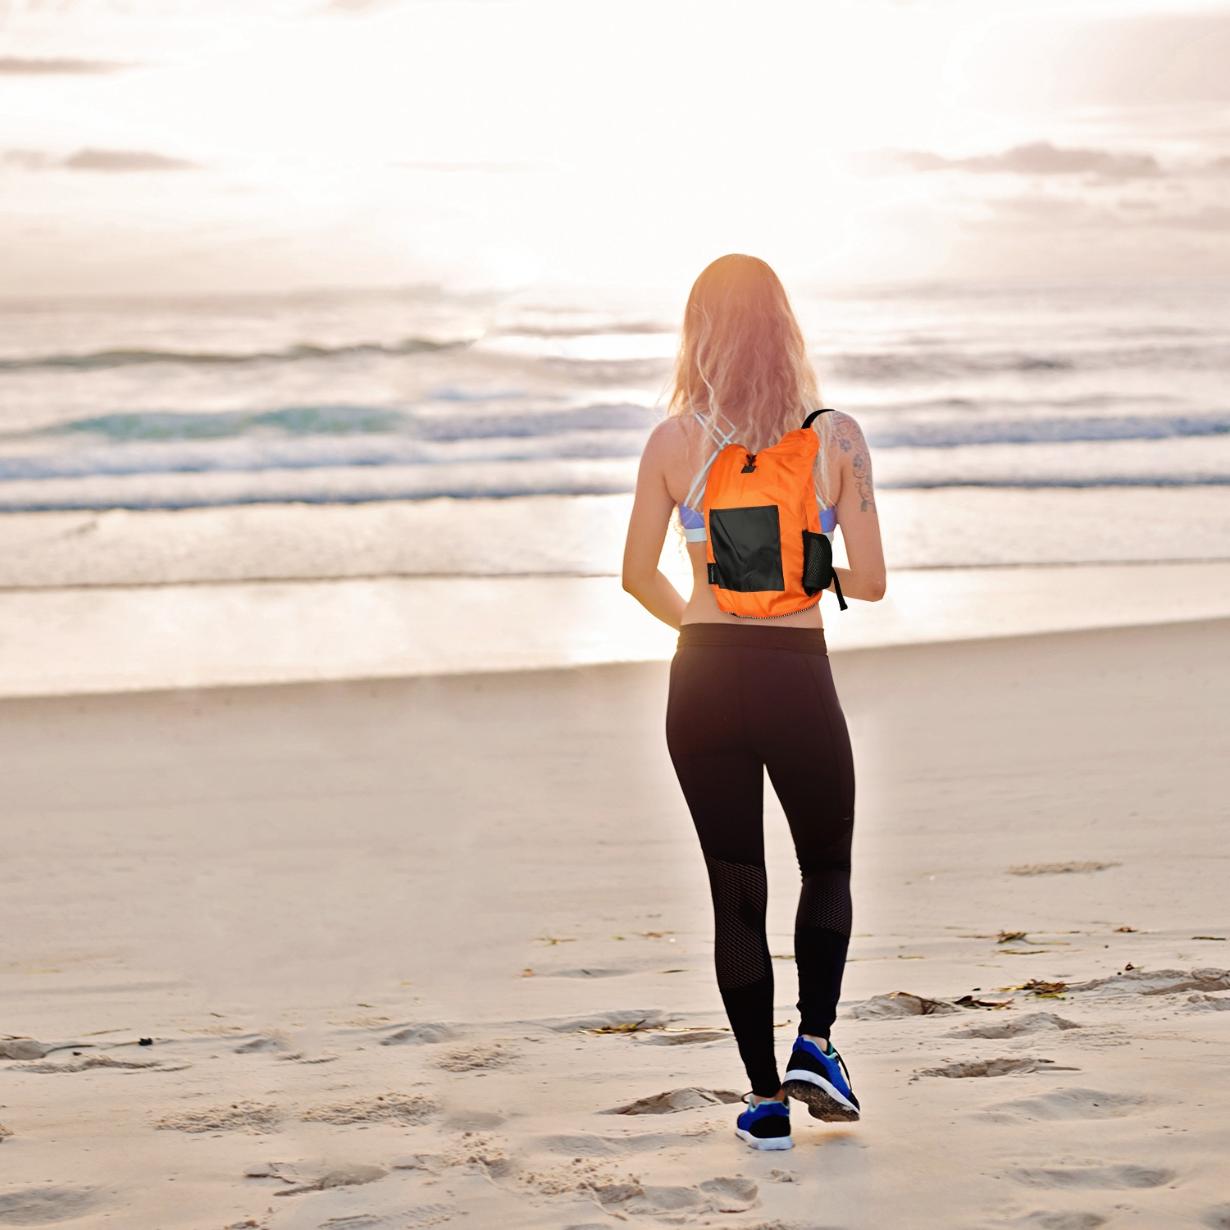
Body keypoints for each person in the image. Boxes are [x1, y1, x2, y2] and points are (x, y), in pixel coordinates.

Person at [621, 254, 887, 1151]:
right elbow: (872, 583)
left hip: (700, 680)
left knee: (736, 892)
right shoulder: (836, 438)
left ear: (697, 333)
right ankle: (816, 1041)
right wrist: (808, 577)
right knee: (826, 868)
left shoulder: (672, 441)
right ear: (785, 327)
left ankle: (765, 1103)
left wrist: (704, 628)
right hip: (794, 675)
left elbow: (636, 576)